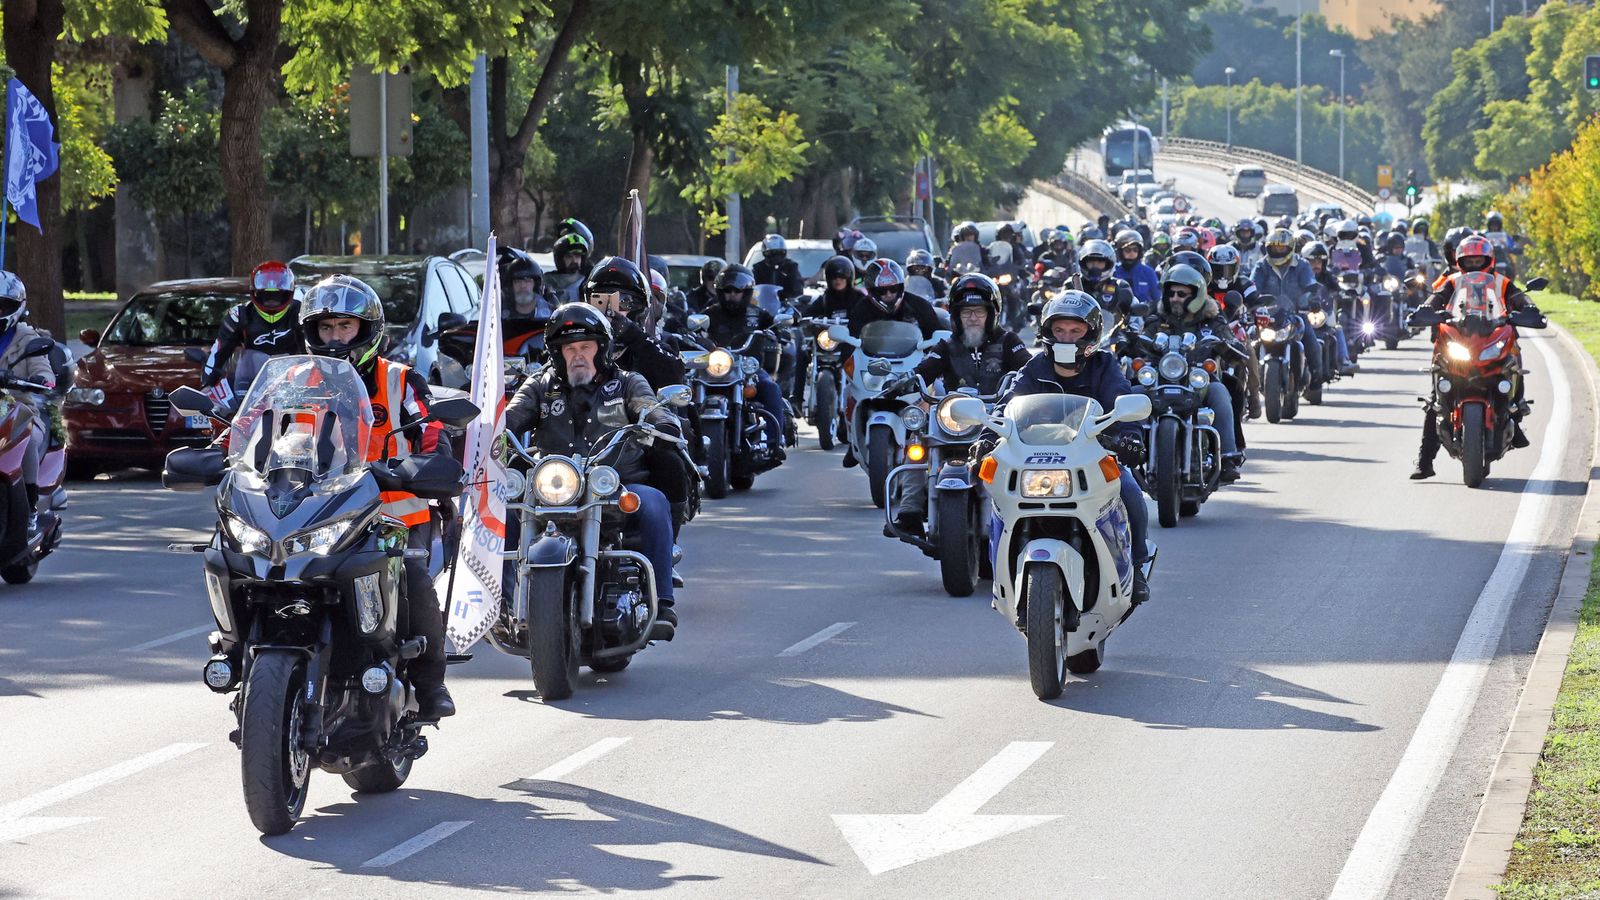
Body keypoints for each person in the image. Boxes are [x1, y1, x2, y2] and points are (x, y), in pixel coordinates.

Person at [299, 275, 455, 718]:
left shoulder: (400, 380)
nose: (334, 338)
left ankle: (429, 683)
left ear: (366, 331)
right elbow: (256, 424)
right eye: (325, 328)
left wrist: (424, 466)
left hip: (393, 522)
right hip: (317, 519)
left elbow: (431, 433)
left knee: (414, 578)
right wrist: (222, 453)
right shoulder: (296, 382)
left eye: (344, 327)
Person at [503, 304, 681, 634]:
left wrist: (662, 422)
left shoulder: (626, 382)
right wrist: (487, 431)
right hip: (553, 487)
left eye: (586, 347)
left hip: (615, 483)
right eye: (570, 348)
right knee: (504, 506)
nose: (579, 355)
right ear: (557, 354)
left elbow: (648, 406)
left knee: (654, 502)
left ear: (602, 349)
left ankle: (663, 604)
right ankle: (499, 599)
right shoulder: (539, 386)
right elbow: (509, 418)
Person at [998, 292, 1150, 606]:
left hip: (1092, 457)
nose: (1066, 338)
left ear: (1090, 334)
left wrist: (1131, 435)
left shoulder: (1105, 365)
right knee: (996, 494)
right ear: (1047, 333)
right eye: (1060, 331)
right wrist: (988, 435)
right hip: (1036, 463)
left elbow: (1122, 398)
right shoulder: (1034, 366)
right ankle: (999, 569)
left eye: (1075, 331)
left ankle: (1135, 567)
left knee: (1131, 493)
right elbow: (1010, 402)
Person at [886, 274, 1032, 534]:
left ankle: (1028, 514)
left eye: (979, 311)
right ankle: (910, 511)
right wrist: (905, 381)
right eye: (966, 312)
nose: (973, 317)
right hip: (953, 418)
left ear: (992, 314)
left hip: (998, 419)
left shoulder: (1008, 341)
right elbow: (924, 369)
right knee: (917, 443)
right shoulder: (947, 345)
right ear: (956, 315)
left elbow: (1029, 368)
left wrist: (1038, 381)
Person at [1410, 235, 1542, 479]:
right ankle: (1424, 460)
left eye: (1478, 260)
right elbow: (1435, 298)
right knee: (1434, 401)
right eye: (1468, 260)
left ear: (1488, 259)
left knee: (1513, 364)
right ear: (1460, 261)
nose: (1473, 264)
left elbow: (1520, 298)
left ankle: (1515, 412)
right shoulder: (1451, 281)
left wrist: (1531, 309)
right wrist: (1423, 311)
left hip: (1491, 334)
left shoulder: (1502, 282)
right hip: (1460, 338)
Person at [582, 257, 696, 536]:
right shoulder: (573, 344)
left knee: (669, 461)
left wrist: (635, 337)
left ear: (640, 308)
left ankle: (667, 543)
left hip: (636, 439)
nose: (612, 309)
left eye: (623, 302)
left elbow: (673, 373)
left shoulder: (654, 345)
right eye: (603, 300)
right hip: (577, 438)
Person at [1146, 264, 1243, 481]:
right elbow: (1143, 336)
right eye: (1171, 293)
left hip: (1200, 381)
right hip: (1159, 381)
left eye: (1182, 294)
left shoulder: (1212, 320)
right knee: (1130, 394)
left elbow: (1232, 342)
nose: (1175, 298)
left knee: (1220, 393)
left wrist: (1230, 345)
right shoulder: (1158, 318)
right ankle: (1123, 452)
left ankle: (1227, 457)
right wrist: (1131, 340)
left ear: (1197, 295)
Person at [706, 263, 789, 461]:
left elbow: (776, 328)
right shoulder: (711, 313)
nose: (731, 295)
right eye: (727, 291)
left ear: (746, 292)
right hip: (716, 369)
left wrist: (780, 332)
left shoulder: (757, 314)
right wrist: (685, 330)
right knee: (684, 392)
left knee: (770, 387)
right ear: (720, 292)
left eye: (736, 291)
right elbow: (692, 327)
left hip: (748, 370)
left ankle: (774, 441)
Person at [0, 272, 56, 534]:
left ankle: (31, 508)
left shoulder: (27, 337)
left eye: (1, 306)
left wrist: (40, 379)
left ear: (16, 307)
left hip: (19, 407)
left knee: (27, 440)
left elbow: (43, 368)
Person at [201, 260, 303, 389]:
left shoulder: (301, 312)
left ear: (290, 292)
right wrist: (207, 385)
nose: (271, 300)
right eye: (267, 295)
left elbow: (314, 351)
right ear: (254, 292)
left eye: (277, 295)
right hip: (249, 387)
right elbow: (220, 352)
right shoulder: (239, 315)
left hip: (294, 385)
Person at [1250, 228, 1326, 383]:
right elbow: (1252, 287)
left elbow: (1310, 285)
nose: (1278, 251)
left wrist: (1313, 300)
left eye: (1281, 247)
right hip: (1266, 315)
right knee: (1247, 338)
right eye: (1275, 247)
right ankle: (1243, 378)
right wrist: (1249, 301)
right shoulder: (1262, 265)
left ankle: (1316, 376)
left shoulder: (1302, 265)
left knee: (1311, 340)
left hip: (1294, 313)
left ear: (1290, 248)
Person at [848, 257, 943, 339]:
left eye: (893, 289)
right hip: (873, 359)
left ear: (901, 287)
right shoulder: (860, 310)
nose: (889, 294)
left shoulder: (920, 306)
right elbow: (851, 343)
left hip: (916, 358)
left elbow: (936, 337)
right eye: (882, 290)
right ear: (872, 291)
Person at [1302, 241, 1358, 375]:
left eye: (1319, 262)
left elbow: (1337, 287)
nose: (1316, 265)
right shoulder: (1300, 276)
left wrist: (1345, 292)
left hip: (1323, 312)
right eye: (1312, 261)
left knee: (1337, 328)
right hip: (1303, 312)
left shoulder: (1327, 276)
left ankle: (1344, 361)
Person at [498, 247, 558, 357]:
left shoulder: (552, 314)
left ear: (536, 285)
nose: (523, 286)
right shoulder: (498, 314)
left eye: (527, 280)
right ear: (510, 286)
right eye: (518, 281)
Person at [1077, 239, 1134, 315]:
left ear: (1108, 264)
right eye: (1091, 262)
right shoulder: (1073, 284)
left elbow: (1133, 317)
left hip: (1112, 326)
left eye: (1100, 262)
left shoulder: (1121, 287)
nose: (1095, 266)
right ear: (1084, 263)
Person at [1112, 229, 1160, 305]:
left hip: (1144, 315)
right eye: (1127, 250)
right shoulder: (1113, 272)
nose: (1132, 253)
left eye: (1135, 250)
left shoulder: (1148, 272)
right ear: (1120, 251)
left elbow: (1157, 298)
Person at [753, 234, 805, 302]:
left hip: (786, 305)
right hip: (763, 304)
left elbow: (797, 288)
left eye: (779, 253)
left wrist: (793, 299)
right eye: (771, 254)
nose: (776, 258)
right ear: (765, 254)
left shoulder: (791, 267)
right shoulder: (758, 268)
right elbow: (752, 289)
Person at [547, 230, 592, 303]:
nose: (574, 260)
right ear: (560, 259)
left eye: (577, 256)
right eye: (569, 256)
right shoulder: (549, 282)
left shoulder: (589, 282)